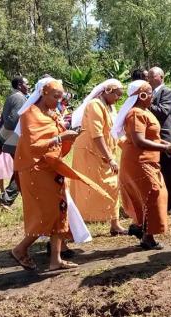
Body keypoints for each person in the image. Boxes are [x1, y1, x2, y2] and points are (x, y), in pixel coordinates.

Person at [11, 77, 109, 271]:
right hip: (35, 169)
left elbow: (59, 148)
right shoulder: (29, 114)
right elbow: (33, 146)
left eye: (61, 97)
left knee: (60, 209)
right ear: (43, 93)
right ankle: (20, 249)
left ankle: (56, 260)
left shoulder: (52, 114)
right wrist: (60, 137)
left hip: (53, 166)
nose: (59, 101)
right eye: (56, 96)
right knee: (46, 213)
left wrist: (69, 137)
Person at [113, 80, 171, 250]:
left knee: (150, 194)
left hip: (148, 160)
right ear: (141, 95)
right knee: (152, 194)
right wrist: (165, 147)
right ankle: (147, 235)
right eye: (149, 93)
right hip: (139, 162)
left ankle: (140, 227)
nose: (152, 96)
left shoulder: (144, 111)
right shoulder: (136, 114)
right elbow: (139, 141)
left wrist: (167, 144)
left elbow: (152, 137)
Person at [69, 79, 127, 235]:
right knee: (86, 189)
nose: (118, 99)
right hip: (89, 153)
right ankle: (74, 226)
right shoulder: (95, 105)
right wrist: (110, 158)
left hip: (104, 151)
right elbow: (97, 135)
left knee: (113, 185)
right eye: (117, 95)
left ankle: (115, 223)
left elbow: (114, 132)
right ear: (108, 91)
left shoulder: (109, 106)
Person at [148, 67, 171, 215]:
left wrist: (146, 104)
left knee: (168, 172)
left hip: (166, 137)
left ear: (161, 77)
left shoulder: (166, 92)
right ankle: (160, 202)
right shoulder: (150, 93)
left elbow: (162, 112)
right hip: (154, 138)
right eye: (147, 76)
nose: (148, 79)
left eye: (151, 76)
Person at [0, 76, 29, 208]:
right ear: (20, 85)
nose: (28, 86)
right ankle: (6, 198)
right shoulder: (19, 98)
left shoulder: (11, 97)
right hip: (15, 142)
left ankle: (6, 198)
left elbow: (2, 122)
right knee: (23, 169)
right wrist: (2, 140)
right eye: (27, 84)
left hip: (11, 141)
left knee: (21, 169)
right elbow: (12, 121)